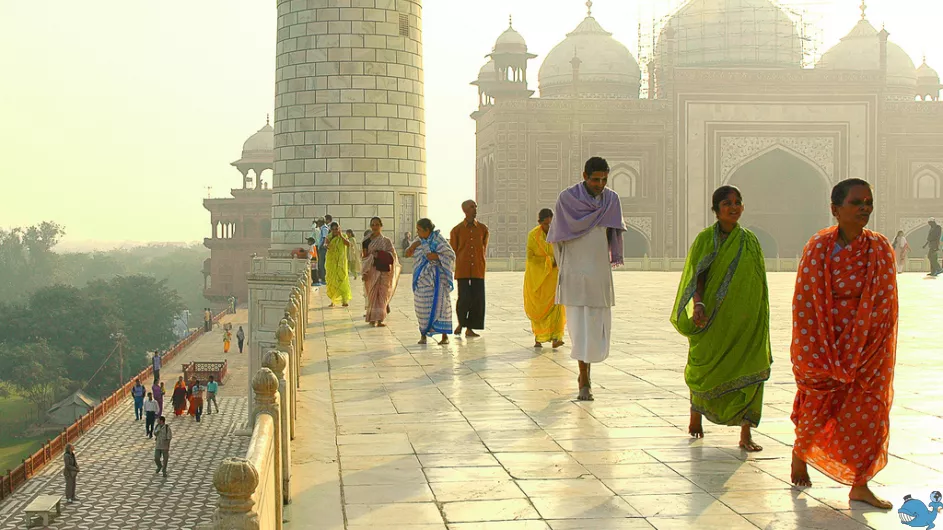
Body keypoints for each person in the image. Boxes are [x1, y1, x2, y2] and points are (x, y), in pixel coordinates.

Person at [790, 178, 898, 510]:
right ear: (835, 209)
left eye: (868, 202)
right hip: (824, 344)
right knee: (819, 405)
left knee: (867, 414)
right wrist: (827, 348)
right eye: (856, 202)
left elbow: (886, 303)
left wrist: (865, 344)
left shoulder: (879, 248)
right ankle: (800, 454)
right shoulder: (819, 246)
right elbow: (806, 301)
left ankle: (860, 484)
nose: (864, 208)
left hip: (868, 348)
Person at [670, 186, 771, 452]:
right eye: (727, 203)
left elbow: (759, 283)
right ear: (716, 210)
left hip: (746, 320)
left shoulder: (750, 240)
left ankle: (746, 433)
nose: (734, 207)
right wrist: (699, 304)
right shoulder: (706, 239)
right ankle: (696, 414)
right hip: (714, 318)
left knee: (749, 366)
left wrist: (758, 318)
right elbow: (697, 276)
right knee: (704, 364)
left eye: (738, 202)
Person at [546, 156, 626, 401]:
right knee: (579, 328)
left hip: (599, 273)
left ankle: (587, 375)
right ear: (584, 176)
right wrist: (564, 268)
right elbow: (558, 238)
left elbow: (614, 235)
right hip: (575, 272)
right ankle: (584, 378)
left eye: (604, 180)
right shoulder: (567, 199)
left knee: (596, 327)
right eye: (595, 179)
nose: (600, 184)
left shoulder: (611, 200)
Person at [407, 218, 455, 345]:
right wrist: (413, 246)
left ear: (427, 230)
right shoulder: (419, 241)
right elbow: (408, 253)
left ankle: (444, 337)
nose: (417, 232)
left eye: (419, 230)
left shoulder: (438, 240)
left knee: (442, 307)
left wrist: (436, 256)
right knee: (421, 307)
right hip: (423, 279)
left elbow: (450, 255)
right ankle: (423, 335)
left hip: (438, 279)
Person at [524, 208, 566, 348]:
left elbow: (564, 251)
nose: (549, 227)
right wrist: (549, 262)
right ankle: (538, 337)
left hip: (555, 278)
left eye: (551, 223)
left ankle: (556, 338)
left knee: (557, 307)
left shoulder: (559, 234)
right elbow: (531, 257)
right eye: (546, 224)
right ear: (539, 222)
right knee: (539, 308)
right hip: (539, 279)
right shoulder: (533, 236)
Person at [451, 200, 489, 337]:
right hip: (463, 269)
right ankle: (461, 323)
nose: (475, 209)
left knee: (477, 299)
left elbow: (483, 247)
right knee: (464, 298)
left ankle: (470, 328)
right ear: (465, 210)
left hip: (478, 268)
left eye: (475, 207)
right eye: (472, 207)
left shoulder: (483, 229)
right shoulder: (457, 230)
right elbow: (454, 249)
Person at [362, 217, 401, 327]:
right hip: (371, 271)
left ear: (381, 226)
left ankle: (379, 319)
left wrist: (380, 254)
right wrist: (364, 271)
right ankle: (371, 318)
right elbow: (364, 258)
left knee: (382, 295)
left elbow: (393, 255)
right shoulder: (366, 241)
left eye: (377, 224)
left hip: (384, 272)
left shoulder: (386, 241)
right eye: (373, 225)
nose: (375, 227)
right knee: (372, 295)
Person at [325, 221, 352, 307]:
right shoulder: (329, 237)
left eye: (336, 229)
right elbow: (326, 244)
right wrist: (327, 245)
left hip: (341, 262)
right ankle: (333, 300)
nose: (335, 231)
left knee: (343, 279)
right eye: (333, 229)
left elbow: (348, 244)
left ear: (339, 229)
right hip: (332, 262)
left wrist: (340, 236)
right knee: (332, 280)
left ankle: (344, 300)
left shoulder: (343, 236)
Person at [318, 214, 333, 283]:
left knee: (322, 264)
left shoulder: (324, 229)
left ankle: (324, 278)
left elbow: (324, 238)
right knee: (321, 263)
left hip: (323, 248)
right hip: (322, 248)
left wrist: (320, 246)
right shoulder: (323, 228)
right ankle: (323, 278)